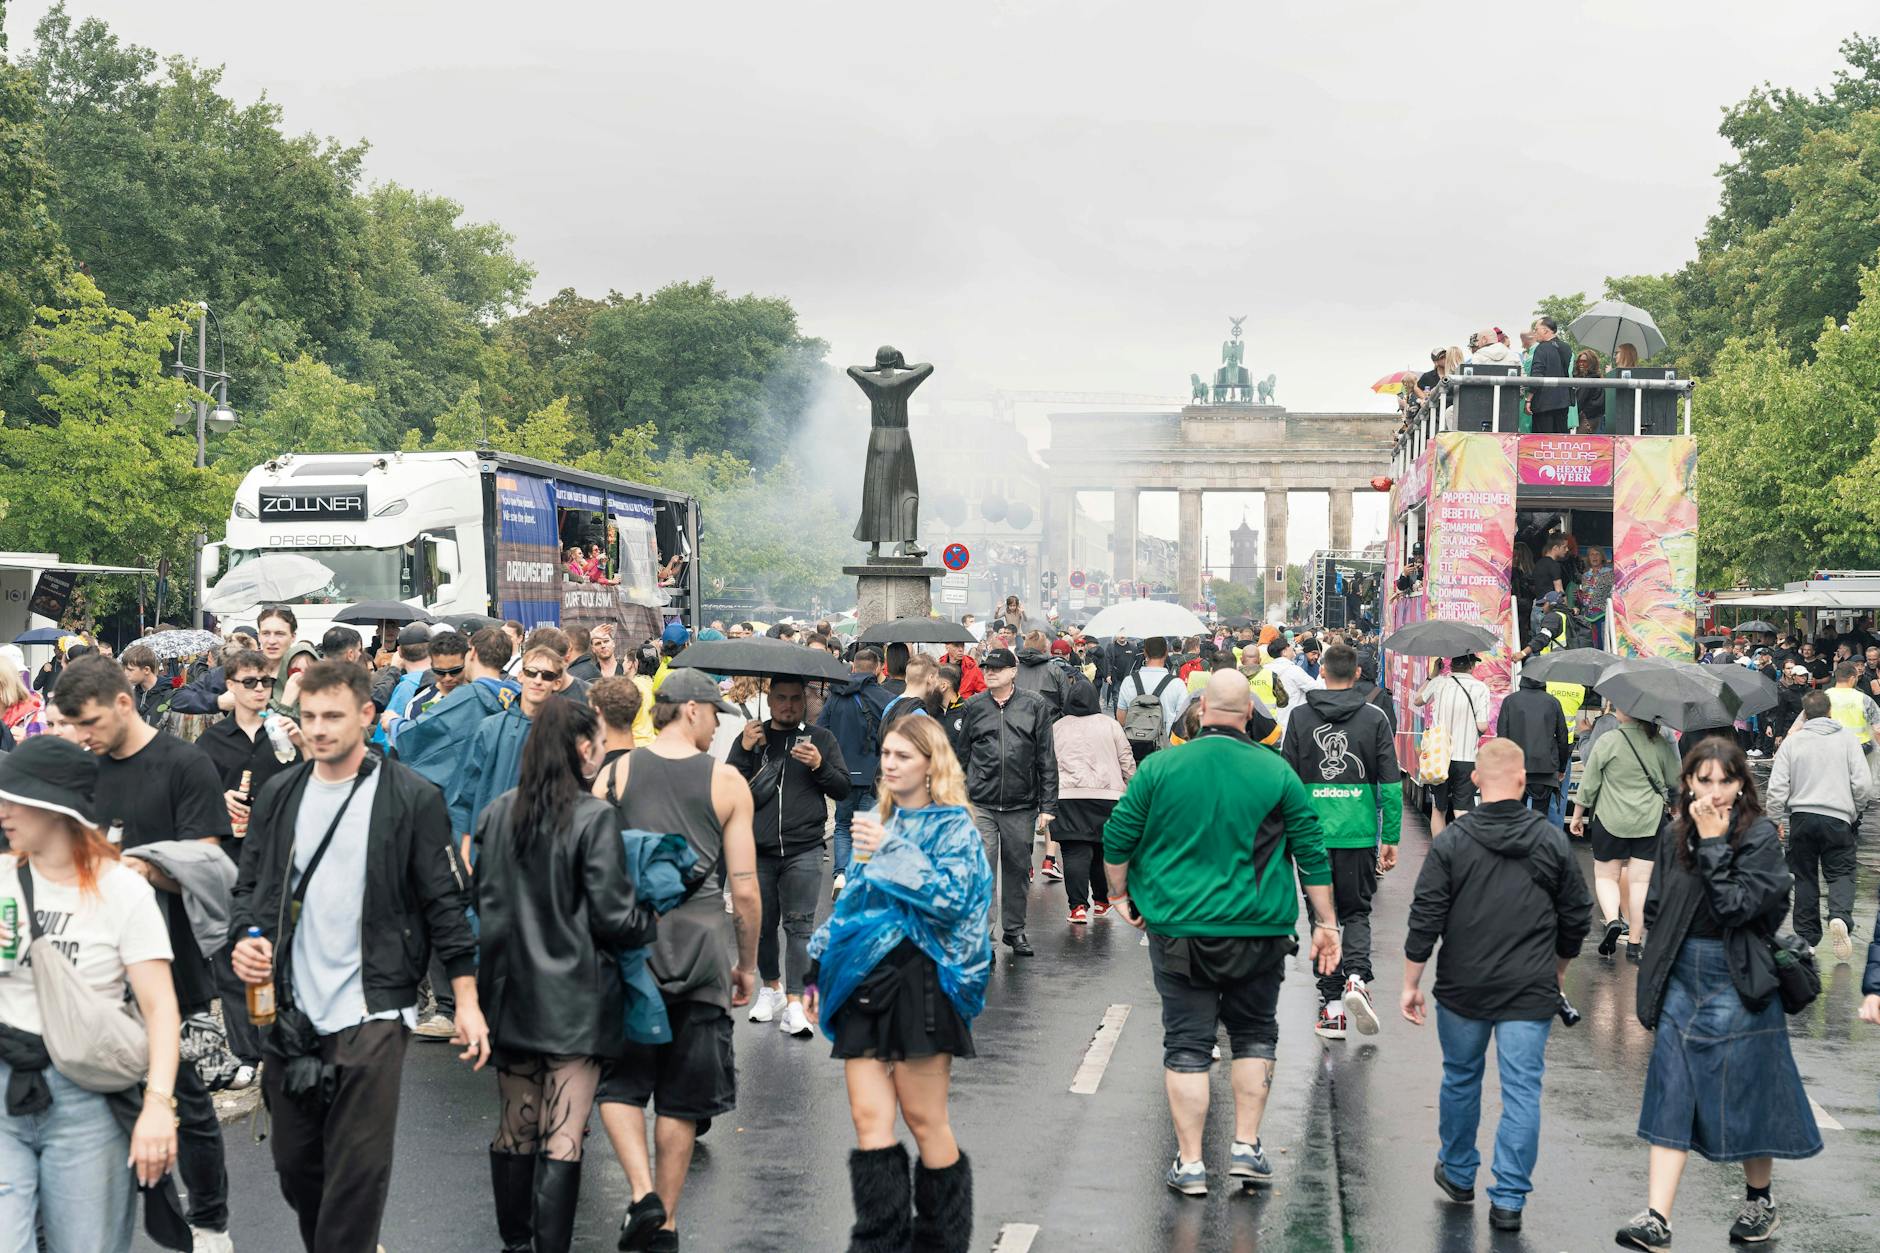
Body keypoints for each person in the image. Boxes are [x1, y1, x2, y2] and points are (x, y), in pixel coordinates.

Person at [229, 660, 488, 1252]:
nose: (318, 730)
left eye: (332, 717)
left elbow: (446, 904)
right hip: (290, 1010)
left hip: (375, 1008)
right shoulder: (280, 794)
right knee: (297, 1166)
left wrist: (467, 1000)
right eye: (309, 717)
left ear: (367, 717)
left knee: (357, 1170)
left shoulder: (411, 798)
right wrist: (248, 939)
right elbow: (250, 889)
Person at [1104, 670, 1339, 1196]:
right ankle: (1246, 1147)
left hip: (1178, 930)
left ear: (1201, 708)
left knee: (1187, 1043)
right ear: (1250, 714)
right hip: (1259, 930)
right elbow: (1311, 853)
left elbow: (1118, 837)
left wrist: (1119, 897)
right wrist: (1326, 924)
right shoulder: (1276, 773)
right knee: (1255, 1034)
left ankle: (1190, 1164)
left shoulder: (1161, 767)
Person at [50, 657, 236, 1252]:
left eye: (92, 722)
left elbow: (207, 863)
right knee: (105, 1100)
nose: (85, 736)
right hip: (93, 965)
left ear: (125, 702)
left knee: (185, 1096)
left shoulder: (186, 764)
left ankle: (209, 1224)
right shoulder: (83, 769)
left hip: (170, 958)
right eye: (74, 726)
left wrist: (137, 866)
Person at [1615, 740, 1820, 1251]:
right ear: (1687, 783)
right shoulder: (1672, 836)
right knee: (1672, 1094)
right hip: (1684, 975)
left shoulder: (1760, 838)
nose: (1713, 792)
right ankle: (1657, 1218)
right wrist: (1655, 967)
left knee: (1749, 1096)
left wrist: (1712, 844)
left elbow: (1736, 909)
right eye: (1702, 781)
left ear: (1740, 784)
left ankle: (1759, 1202)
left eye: (1723, 781)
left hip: (1739, 979)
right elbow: (1658, 905)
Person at [803, 717, 992, 1253]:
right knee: (868, 1119)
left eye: (903, 756)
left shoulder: (954, 826)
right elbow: (853, 904)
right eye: (885, 753)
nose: (888, 764)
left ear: (931, 764)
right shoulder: (876, 819)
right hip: (863, 978)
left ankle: (939, 1242)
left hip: (925, 982)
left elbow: (955, 903)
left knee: (924, 1118)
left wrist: (891, 850)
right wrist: (815, 971)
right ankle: (877, 1242)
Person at [474, 698, 656, 1253]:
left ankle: (515, 1244)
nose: (602, 751)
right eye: (598, 743)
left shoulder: (500, 811)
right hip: (576, 996)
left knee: (516, 1126)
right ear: (582, 749)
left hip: (509, 991)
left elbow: (481, 899)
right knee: (563, 1135)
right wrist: (651, 915)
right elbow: (613, 916)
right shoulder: (594, 816)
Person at [0, 736, 183, 1253]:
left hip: (87, 1100)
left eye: (15, 799)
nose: (3, 810)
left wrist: (157, 1105)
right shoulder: (2, 878)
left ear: (56, 809)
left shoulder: (122, 891)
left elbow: (160, 1007)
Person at [596, 669, 758, 1253]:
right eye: (714, 713)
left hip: (628, 945)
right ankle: (663, 1222)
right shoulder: (726, 780)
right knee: (683, 1095)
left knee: (621, 1081)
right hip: (700, 948)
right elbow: (743, 890)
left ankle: (640, 1194)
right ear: (690, 710)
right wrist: (748, 964)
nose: (717, 725)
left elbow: (591, 864)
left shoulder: (613, 774)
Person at [1401, 738, 1591, 1233]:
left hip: (1463, 985)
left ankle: (1459, 1172)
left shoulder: (1452, 842)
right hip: (1529, 987)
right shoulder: (1551, 842)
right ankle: (1508, 1199)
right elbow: (1576, 914)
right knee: (1523, 1091)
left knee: (1461, 1078)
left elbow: (1427, 915)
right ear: (1524, 780)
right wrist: (1560, 968)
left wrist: (1410, 981)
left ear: (1478, 781)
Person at [1282, 643, 1403, 1041]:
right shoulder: (1376, 718)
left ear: (1322, 673)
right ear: (1356, 676)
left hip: (1312, 837)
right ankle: (1355, 977)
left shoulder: (1299, 718)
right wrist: (1391, 837)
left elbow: (1287, 784)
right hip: (1357, 834)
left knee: (1323, 919)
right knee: (1356, 912)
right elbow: (1389, 784)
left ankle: (1332, 1008)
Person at [728, 678, 851, 1040]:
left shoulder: (821, 739)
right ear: (769, 699)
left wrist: (819, 765)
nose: (788, 705)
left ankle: (796, 1002)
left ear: (805, 701)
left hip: (805, 848)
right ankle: (771, 988)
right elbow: (729, 787)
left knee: (799, 926)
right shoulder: (753, 736)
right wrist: (745, 751)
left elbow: (843, 788)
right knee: (762, 924)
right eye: (781, 698)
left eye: (796, 699)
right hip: (760, 848)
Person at [955, 647, 1058, 957]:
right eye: (987, 668)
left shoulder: (1034, 705)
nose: (990, 672)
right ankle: (984, 939)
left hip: (1020, 803)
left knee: (1017, 870)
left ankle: (1014, 930)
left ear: (1013, 672)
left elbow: (1046, 757)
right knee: (982, 870)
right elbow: (961, 757)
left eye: (998, 668)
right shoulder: (973, 706)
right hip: (981, 803)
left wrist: (1048, 806)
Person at [1765, 690, 1871, 963]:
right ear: (1830, 712)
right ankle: (1839, 916)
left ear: (1805, 714)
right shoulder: (1847, 740)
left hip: (1802, 816)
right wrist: (1855, 809)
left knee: (1804, 877)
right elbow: (1862, 783)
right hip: (1837, 817)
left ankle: (1808, 937)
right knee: (1841, 872)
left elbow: (1777, 787)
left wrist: (1775, 819)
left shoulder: (1793, 743)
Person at [1570, 707, 1679, 963]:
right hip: (1649, 821)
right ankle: (1634, 943)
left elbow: (1590, 782)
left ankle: (1612, 920)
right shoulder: (1660, 741)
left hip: (1609, 819)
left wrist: (1577, 815)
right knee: (1640, 883)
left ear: (1627, 713)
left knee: (1607, 876)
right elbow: (1675, 781)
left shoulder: (1608, 740)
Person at [449, 643, 565, 871]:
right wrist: (465, 853)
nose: (538, 680)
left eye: (547, 675)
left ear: (557, 683)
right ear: (521, 675)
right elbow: (464, 794)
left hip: (541, 861)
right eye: (532, 672)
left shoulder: (566, 733)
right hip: (487, 854)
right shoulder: (489, 729)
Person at [1050, 674, 1133, 923]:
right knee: (1101, 848)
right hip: (1108, 796)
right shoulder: (1109, 725)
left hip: (1066, 796)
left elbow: (1046, 762)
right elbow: (1125, 759)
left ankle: (1077, 907)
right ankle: (1101, 901)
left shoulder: (1057, 727)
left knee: (1074, 851)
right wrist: (1133, 785)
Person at [819, 648, 896, 896]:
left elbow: (821, 730)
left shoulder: (835, 696)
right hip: (874, 775)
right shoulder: (885, 698)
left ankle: (841, 875)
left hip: (842, 774)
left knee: (842, 826)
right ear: (877, 669)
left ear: (853, 667)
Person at [1414, 655, 1492, 836]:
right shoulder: (1480, 688)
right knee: (1462, 809)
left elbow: (1418, 700)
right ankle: (1465, 853)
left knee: (1438, 808)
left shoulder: (1440, 682)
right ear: (1471, 666)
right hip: (1466, 758)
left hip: (1439, 758)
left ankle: (1440, 853)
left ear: (1453, 665)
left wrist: (1432, 675)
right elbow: (1482, 725)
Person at [1824, 659, 1880, 847]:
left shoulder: (1825, 697)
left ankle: (1835, 818)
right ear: (1852, 678)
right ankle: (1854, 820)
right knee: (1858, 786)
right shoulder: (1863, 699)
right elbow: (1878, 729)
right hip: (1861, 749)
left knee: (1833, 785)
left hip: (1830, 749)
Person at [1497, 672, 1570, 813]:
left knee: (1515, 816)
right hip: (1545, 768)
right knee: (1540, 817)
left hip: (1516, 766)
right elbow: (1562, 737)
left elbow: (1502, 737)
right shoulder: (1553, 702)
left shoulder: (1510, 701)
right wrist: (1562, 767)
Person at [1113, 635, 1191, 761]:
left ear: (1144, 652)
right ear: (1166, 653)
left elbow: (1121, 719)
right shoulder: (1177, 684)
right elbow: (1183, 722)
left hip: (1134, 751)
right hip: (1165, 753)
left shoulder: (1129, 681)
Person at [1526, 316, 1572, 434]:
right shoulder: (1566, 347)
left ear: (1545, 330)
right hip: (1563, 401)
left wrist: (1529, 399)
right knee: (1560, 440)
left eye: (1536, 329)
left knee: (1542, 441)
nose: (1534, 333)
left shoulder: (1541, 348)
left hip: (1543, 402)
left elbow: (1537, 375)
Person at [1572, 348, 1606, 434]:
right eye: (1579, 361)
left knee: (1582, 444)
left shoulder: (1589, 381)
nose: (1581, 364)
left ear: (1591, 363)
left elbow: (1579, 402)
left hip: (1587, 420)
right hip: (1595, 420)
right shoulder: (1598, 378)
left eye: (1584, 361)